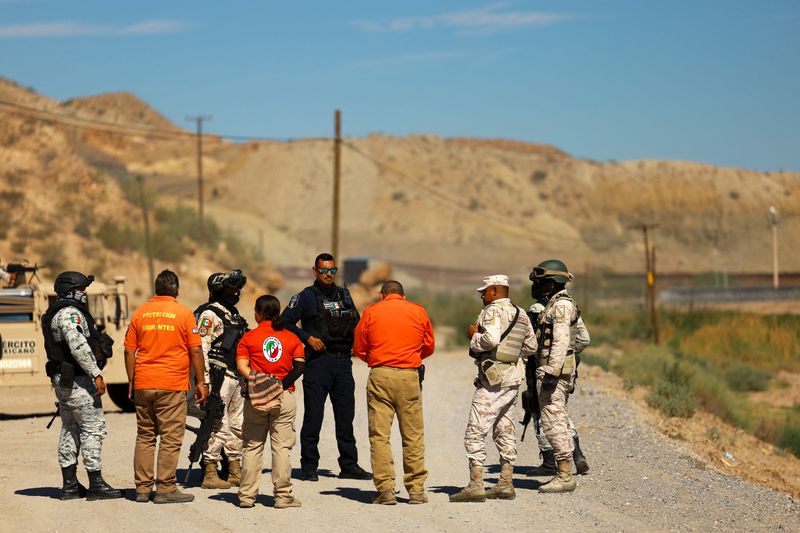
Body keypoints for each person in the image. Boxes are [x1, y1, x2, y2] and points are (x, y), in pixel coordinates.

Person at [280, 253, 371, 481]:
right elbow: (284, 322)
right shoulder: (306, 297)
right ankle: (309, 466)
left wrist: (358, 346)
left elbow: (357, 324)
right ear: (315, 271)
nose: (328, 274)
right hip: (318, 363)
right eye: (324, 270)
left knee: (345, 416)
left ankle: (349, 465)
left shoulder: (344, 295)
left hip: (342, 363)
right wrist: (306, 338)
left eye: (332, 270)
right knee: (314, 416)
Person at [450, 275, 537, 503]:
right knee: (504, 430)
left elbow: (490, 339)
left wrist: (473, 337)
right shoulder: (521, 313)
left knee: (475, 432)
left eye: (485, 291)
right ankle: (505, 484)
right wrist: (511, 354)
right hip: (512, 379)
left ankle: (476, 485)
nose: (482, 295)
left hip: (493, 381)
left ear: (496, 291)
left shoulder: (492, 311)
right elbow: (531, 346)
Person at [124, 270, 208, 504]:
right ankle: (165, 488)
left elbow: (129, 350)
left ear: (156, 289)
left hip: (143, 383)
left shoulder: (140, 313)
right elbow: (195, 350)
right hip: (171, 385)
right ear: (177, 290)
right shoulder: (183, 313)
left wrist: (132, 380)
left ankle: (142, 489)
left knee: (145, 436)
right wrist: (201, 382)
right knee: (171, 437)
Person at [41, 271, 122, 501]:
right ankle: (96, 484)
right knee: (92, 428)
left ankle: (70, 486)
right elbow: (78, 346)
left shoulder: (57, 312)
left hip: (66, 381)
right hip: (78, 380)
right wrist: (96, 374)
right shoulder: (69, 314)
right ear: (71, 291)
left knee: (70, 429)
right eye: (82, 290)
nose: (85, 294)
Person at [353, 280, 435, 505]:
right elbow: (428, 346)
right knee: (413, 435)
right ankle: (416, 490)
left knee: (380, 436)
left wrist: (377, 360)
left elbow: (359, 347)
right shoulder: (418, 311)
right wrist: (409, 358)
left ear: (382, 295)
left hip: (381, 374)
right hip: (409, 375)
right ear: (403, 295)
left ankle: (386, 490)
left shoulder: (371, 312)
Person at [236, 295, 306, 509]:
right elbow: (300, 367)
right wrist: (279, 385)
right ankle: (283, 497)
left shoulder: (248, 338)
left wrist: (261, 382)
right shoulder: (292, 338)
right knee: (282, 447)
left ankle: (247, 497)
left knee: (252, 446)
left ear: (258, 313)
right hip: (284, 398)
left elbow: (242, 367)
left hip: (256, 398)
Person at [528, 259, 584, 493]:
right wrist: (571, 359)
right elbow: (582, 339)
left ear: (550, 283)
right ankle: (565, 471)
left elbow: (560, 340)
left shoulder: (559, 306)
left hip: (553, 373)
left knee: (554, 422)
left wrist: (553, 369)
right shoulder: (561, 304)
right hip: (559, 371)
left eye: (540, 282)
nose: (537, 287)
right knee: (556, 419)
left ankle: (564, 475)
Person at [195, 270, 249, 489]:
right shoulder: (209, 314)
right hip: (218, 377)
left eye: (237, 289)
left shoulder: (233, 314)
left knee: (237, 424)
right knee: (218, 423)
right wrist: (205, 381)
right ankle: (210, 469)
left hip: (236, 377)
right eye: (231, 289)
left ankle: (234, 467)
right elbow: (202, 347)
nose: (236, 293)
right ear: (218, 290)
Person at [526, 299, 590, 476]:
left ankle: (549, 462)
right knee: (560, 411)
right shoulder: (570, 307)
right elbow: (584, 339)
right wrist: (569, 355)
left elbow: (531, 345)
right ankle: (577, 455)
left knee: (541, 411)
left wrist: (549, 360)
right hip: (567, 370)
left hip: (543, 368)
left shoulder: (539, 309)